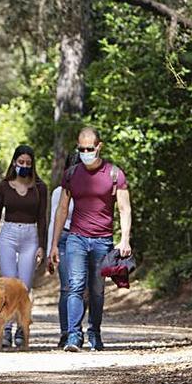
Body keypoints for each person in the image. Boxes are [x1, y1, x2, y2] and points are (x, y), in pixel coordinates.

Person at [50, 127, 132, 352]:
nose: (85, 152)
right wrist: (55, 244)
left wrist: (124, 239)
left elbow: (124, 209)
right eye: (81, 149)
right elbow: (61, 210)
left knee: (97, 290)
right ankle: (73, 336)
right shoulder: (72, 174)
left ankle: (94, 333)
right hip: (76, 239)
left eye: (89, 148)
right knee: (75, 286)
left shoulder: (114, 174)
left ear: (99, 147)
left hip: (102, 241)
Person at [0, 145, 47, 348]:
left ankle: (21, 327)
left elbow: (42, 218)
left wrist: (42, 246)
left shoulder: (39, 187)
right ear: (14, 162)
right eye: (21, 162)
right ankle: (5, 328)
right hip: (8, 234)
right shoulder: (4, 186)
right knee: (8, 285)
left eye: (28, 163)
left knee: (24, 286)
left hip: (30, 235)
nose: (24, 166)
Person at [46, 151, 79, 348]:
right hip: (65, 238)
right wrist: (53, 247)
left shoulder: (90, 190)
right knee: (67, 287)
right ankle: (66, 332)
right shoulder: (59, 192)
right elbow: (53, 220)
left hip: (84, 238)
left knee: (81, 289)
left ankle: (79, 329)